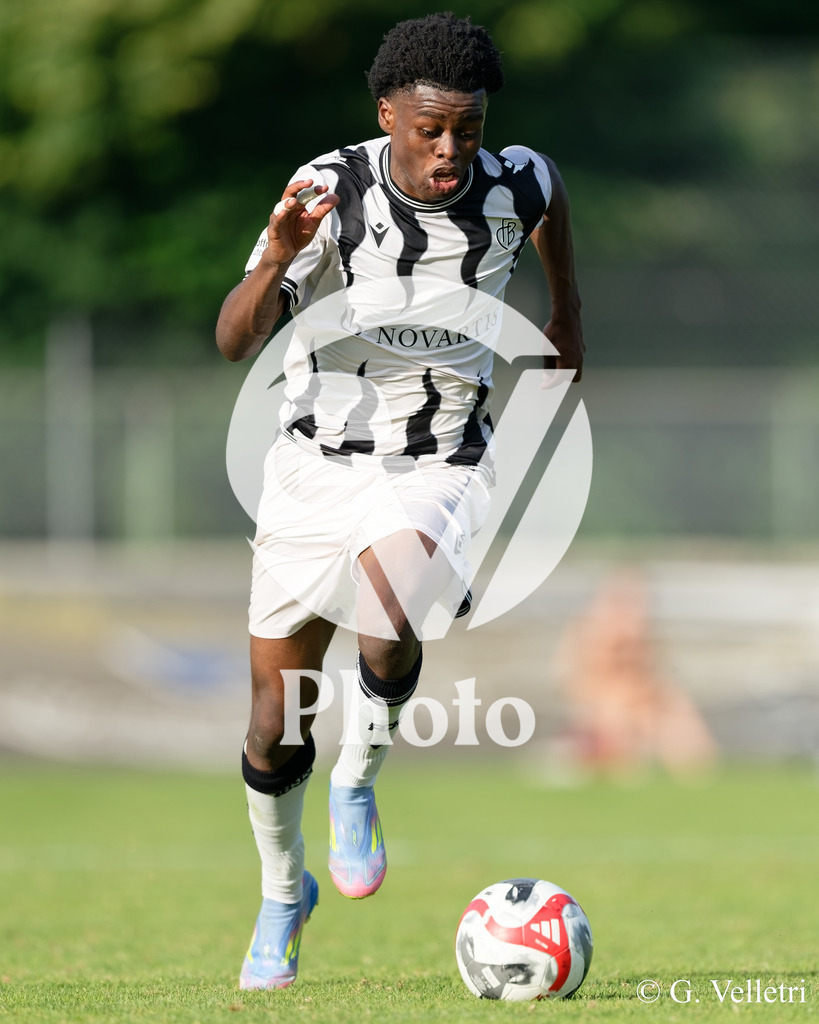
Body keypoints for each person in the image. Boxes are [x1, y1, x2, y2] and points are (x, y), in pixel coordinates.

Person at [215, 11, 584, 990]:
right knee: (270, 719)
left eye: (467, 128)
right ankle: (284, 891)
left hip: (439, 459)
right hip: (310, 468)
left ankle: (357, 782)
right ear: (388, 117)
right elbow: (231, 337)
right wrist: (277, 255)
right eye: (430, 131)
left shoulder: (520, 180)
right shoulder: (328, 191)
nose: (451, 150)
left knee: (395, 603)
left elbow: (550, 216)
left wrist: (566, 318)